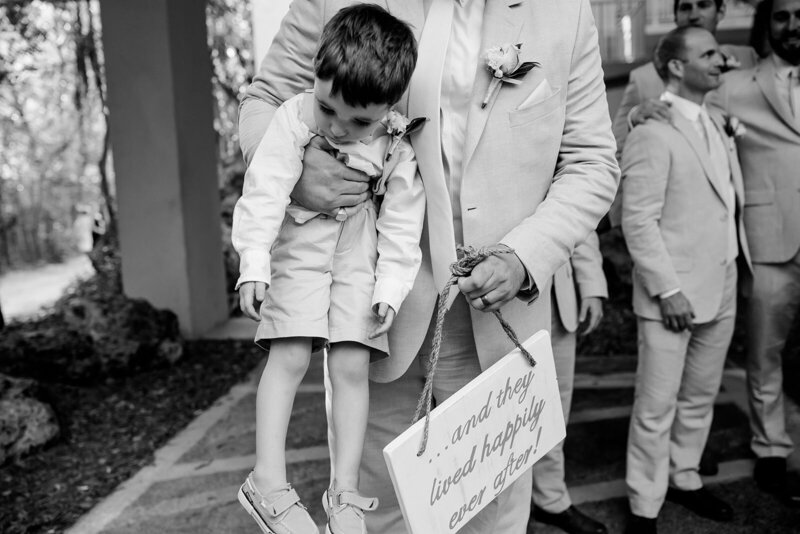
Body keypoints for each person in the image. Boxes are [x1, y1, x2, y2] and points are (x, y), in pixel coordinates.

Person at [239, 1, 620, 532]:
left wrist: (524, 254)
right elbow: (264, 100)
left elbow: (592, 162)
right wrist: (298, 177)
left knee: (492, 517)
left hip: (494, 323)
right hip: (369, 311)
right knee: (372, 510)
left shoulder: (565, 13)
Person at [232, 6, 425, 534]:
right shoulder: (293, 116)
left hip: (359, 248)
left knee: (351, 365)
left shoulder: (395, 140)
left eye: (359, 121)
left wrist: (391, 286)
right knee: (291, 352)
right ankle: (267, 483)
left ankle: (344, 492)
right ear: (316, 70)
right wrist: (253, 263)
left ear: (389, 105)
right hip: (300, 238)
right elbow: (266, 188)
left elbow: (404, 221)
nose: (339, 130)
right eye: (328, 109)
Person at [620, 26, 752, 534]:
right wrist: (667, 289)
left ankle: (685, 477)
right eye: (709, 54)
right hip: (670, 295)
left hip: (720, 283)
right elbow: (638, 219)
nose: (722, 60)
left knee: (699, 397)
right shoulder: (652, 130)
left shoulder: (716, 122)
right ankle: (644, 505)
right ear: (676, 66)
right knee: (655, 407)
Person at [709, 0, 800, 508]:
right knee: (766, 354)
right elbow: (688, 119)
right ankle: (771, 449)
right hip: (769, 242)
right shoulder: (736, 84)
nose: (794, 24)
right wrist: (638, 111)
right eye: (784, 15)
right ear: (769, 24)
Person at [531, 233, 608, 534]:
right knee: (501, 413)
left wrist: (591, 284)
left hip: (558, 297)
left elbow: (581, 218)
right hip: (497, 300)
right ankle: (507, 514)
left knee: (556, 408)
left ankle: (550, 499)